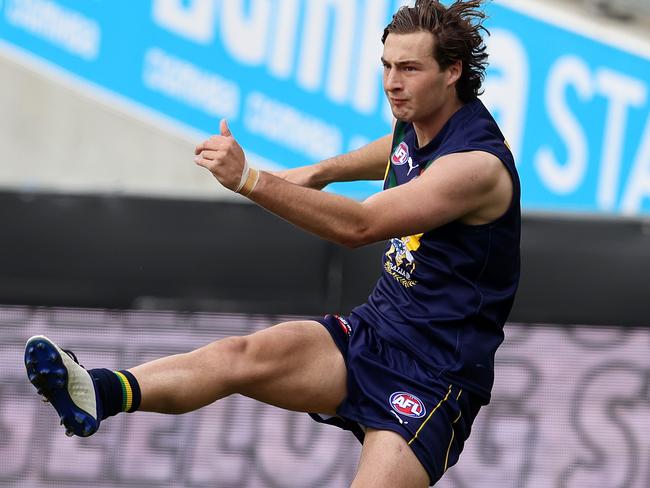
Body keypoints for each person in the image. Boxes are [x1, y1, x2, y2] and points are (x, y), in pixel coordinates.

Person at [24, 1, 520, 486]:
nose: (392, 82)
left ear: (453, 71)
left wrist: (250, 180)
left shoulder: (475, 167)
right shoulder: (419, 123)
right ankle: (99, 393)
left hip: (435, 375)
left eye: (409, 68)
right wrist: (323, 171)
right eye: (387, 66)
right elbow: (395, 148)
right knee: (240, 356)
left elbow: (361, 227)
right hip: (375, 332)